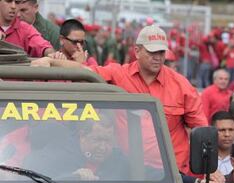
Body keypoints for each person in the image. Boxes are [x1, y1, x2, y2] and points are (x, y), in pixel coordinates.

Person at [31, 24, 207, 174]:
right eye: (152, 52)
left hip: (170, 175)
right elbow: (85, 71)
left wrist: (210, 170)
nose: (158, 57)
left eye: (161, 52)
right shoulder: (119, 74)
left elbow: (202, 131)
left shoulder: (181, 86)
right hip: (127, 171)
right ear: (137, 51)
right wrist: (50, 62)